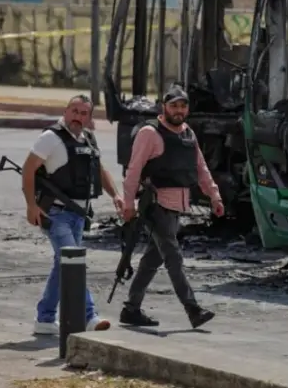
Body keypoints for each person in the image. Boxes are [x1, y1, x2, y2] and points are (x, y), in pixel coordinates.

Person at [119, 85, 225, 329]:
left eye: (183, 105)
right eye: (173, 105)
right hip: (156, 205)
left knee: (152, 260)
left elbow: (201, 168)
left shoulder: (187, 133)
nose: (178, 110)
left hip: (177, 205)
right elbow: (133, 171)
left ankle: (131, 308)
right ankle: (193, 309)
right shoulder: (149, 133)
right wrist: (127, 205)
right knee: (173, 257)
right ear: (163, 106)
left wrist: (214, 196)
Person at [21, 94, 123, 335]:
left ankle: (44, 319)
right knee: (75, 265)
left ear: (89, 117)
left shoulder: (87, 138)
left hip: (79, 214)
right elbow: (28, 169)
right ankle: (89, 316)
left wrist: (116, 195)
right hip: (55, 213)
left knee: (64, 265)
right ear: (66, 112)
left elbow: (99, 169)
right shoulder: (50, 138)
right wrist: (30, 206)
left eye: (83, 113)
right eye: (74, 111)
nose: (78, 117)